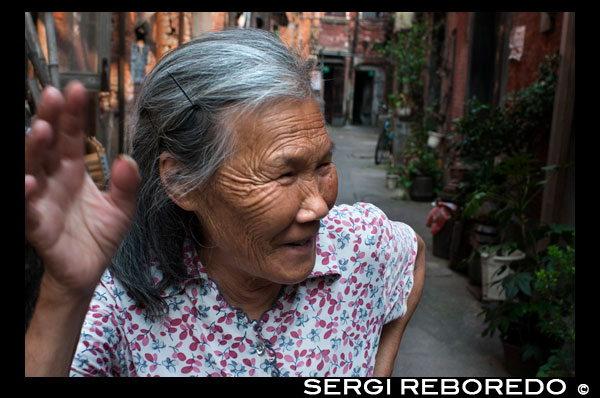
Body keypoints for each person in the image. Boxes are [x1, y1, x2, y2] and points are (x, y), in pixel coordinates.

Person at [25, 28, 425, 377]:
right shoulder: (122, 307)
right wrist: (64, 294)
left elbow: (413, 253)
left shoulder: (357, 244)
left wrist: (380, 368)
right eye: (283, 174)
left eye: (323, 164)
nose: (318, 207)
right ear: (182, 182)